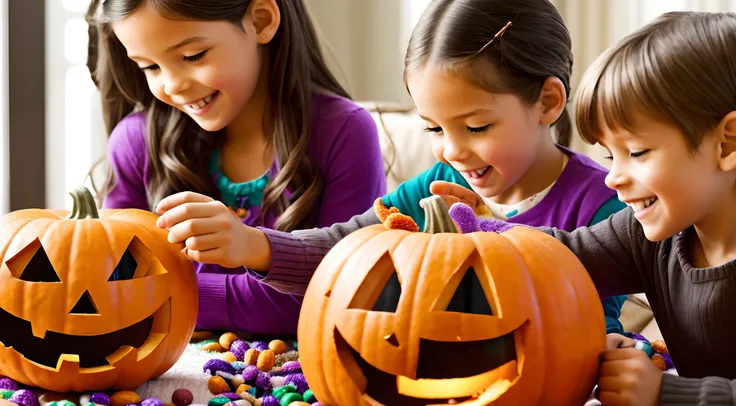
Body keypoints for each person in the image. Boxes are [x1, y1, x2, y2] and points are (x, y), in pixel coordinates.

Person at [157, 0, 628, 335]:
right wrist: (252, 246)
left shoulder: (603, 205)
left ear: (547, 102)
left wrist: (483, 243)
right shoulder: (435, 188)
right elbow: (348, 248)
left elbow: (590, 328)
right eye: (434, 130)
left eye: (477, 126)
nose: (451, 152)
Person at [447, 11, 736, 406]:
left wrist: (667, 396)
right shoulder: (649, 238)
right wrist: (474, 237)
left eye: (636, 152)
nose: (613, 178)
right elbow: (555, 257)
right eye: (608, 155)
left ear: (727, 143)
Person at [86, 0, 386, 335]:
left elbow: (343, 290)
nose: (172, 86)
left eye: (192, 56)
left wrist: (164, 298)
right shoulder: (136, 143)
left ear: (260, 21)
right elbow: (112, 284)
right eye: (150, 67)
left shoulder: (344, 132)